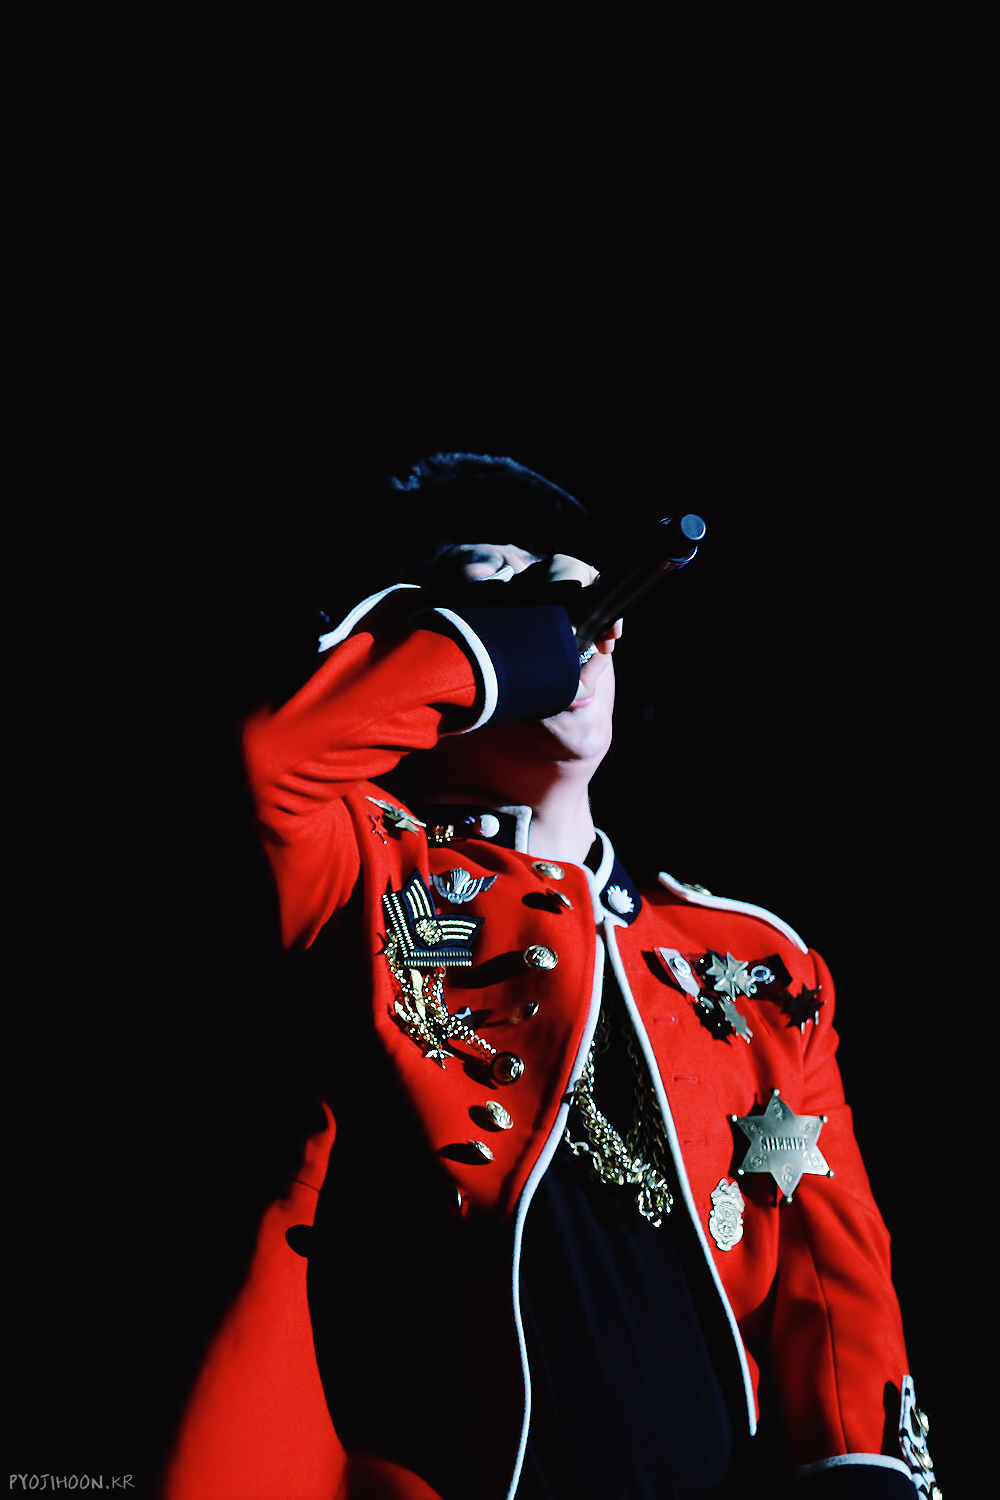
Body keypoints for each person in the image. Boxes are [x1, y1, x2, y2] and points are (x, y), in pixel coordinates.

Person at [159, 455, 939, 1500]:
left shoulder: (759, 964)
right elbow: (275, 758)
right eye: (498, 583)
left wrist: (860, 1476)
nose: (567, 613)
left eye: (577, 592)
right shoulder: (360, 869)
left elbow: (830, 1273)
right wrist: (515, 643)